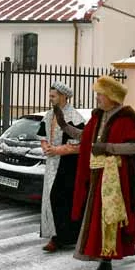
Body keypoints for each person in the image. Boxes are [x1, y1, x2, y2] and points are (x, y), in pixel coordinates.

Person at [71, 75, 135, 270]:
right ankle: (101, 255)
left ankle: (106, 260)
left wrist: (108, 148)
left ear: (112, 97)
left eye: (100, 95)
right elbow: (86, 137)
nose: (97, 98)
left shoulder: (126, 118)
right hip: (97, 175)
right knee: (96, 217)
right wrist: (64, 125)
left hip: (116, 178)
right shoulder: (97, 116)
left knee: (109, 218)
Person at [37, 81, 86, 253]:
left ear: (64, 96)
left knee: (62, 200)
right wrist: (46, 147)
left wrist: (57, 150)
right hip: (52, 163)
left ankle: (63, 238)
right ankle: (54, 234)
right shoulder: (49, 114)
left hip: (67, 165)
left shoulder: (75, 117)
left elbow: (80, 145)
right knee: (49, 199)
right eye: (50, 96)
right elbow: (42, 134)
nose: (50, 99)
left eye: (53, 96)